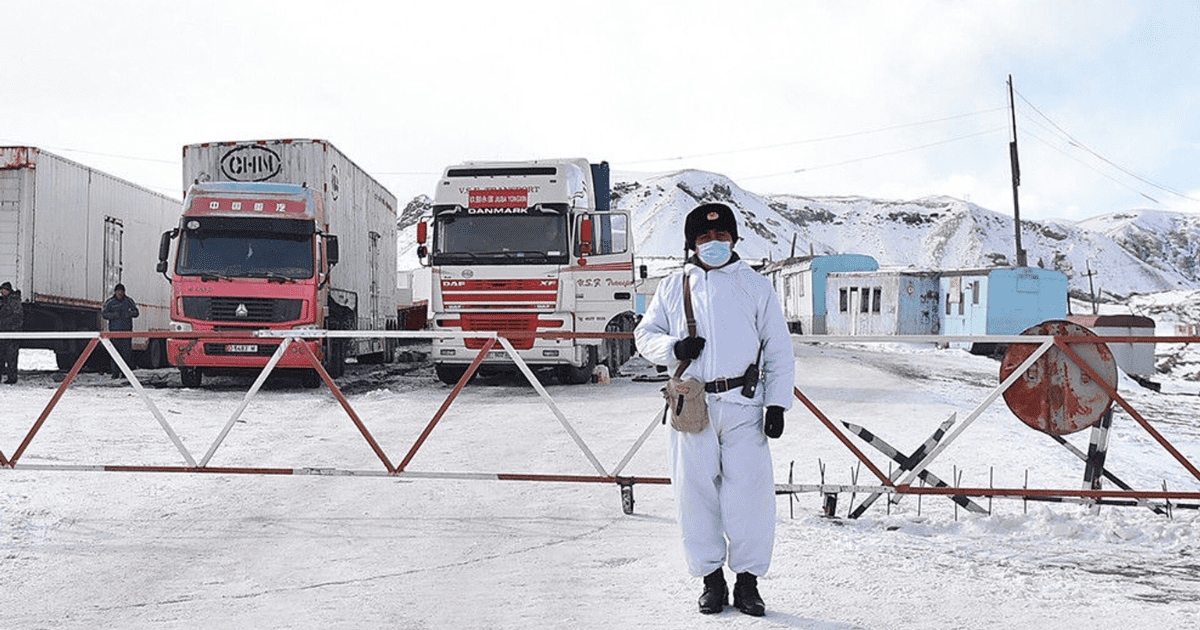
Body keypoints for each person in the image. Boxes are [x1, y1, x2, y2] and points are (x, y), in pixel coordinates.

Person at [634, 202, 795, 617]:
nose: (713, 243)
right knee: (695, 494)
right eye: (704, 238)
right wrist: (673, 347)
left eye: (721, 236)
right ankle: (711, 580)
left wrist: (777, 403)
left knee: (750, 497)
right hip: (692, 405)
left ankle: (747, 582)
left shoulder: (755, 286)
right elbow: (644, 335)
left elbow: (778, 348)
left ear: (734, 239)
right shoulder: (673, 287)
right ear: (692, 244)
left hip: (744, 405)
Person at [101, 283, 140, 379]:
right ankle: (115, 373)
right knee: (115, 354)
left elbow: (136, 312)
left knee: (126, 355)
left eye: (121, 291)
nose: (120, 293)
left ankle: (125, 373)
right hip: (115, 333)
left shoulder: (128, 301)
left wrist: (131, 313)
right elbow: (104, 314)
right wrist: (113, 316)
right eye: (118, 291)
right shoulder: (110, 302)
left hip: (126, 333)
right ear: (115, 292)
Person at [0, 281, 23, 384]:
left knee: (11, 357)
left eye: (3, 290)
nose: (2, 292)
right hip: (4, 333)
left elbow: (17, 317)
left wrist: (11, 329)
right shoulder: (5, 301)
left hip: (11, 333)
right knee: (2, 357)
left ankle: (12, 378)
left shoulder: (14, 301)